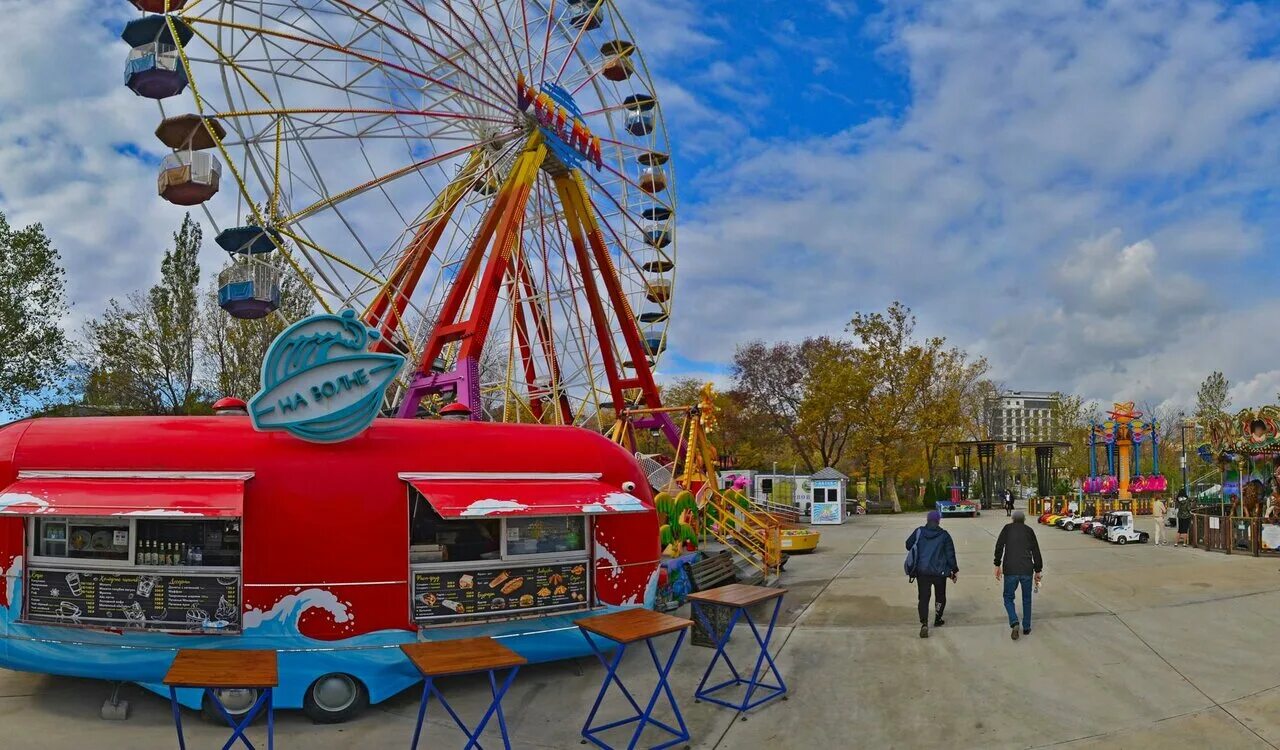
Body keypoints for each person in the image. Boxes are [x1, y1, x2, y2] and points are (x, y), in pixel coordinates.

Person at [906, 510, 959, 639]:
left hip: (922, 571)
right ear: (938, 520)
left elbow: (908, 545)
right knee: (940, 596)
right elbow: (950, 554)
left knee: (923, 598)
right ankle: (937, 618)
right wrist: (954, 569)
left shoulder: (919, 532)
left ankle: (924, 623)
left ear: (927, 519)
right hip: (940, 573)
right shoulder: (944, 535)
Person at [994, 509, 1043, 640]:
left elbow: (999, 546)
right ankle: (1026, 627)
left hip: (1010, 569)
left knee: (1008, 597)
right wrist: (1038, 570)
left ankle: (1014, 621)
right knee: (1027, 599)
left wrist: (997, 564)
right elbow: (1036, 551)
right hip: (1027, 569)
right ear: (1024, 520)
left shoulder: (1007, 529)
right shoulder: (1029, 531)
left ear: (1013, 519)